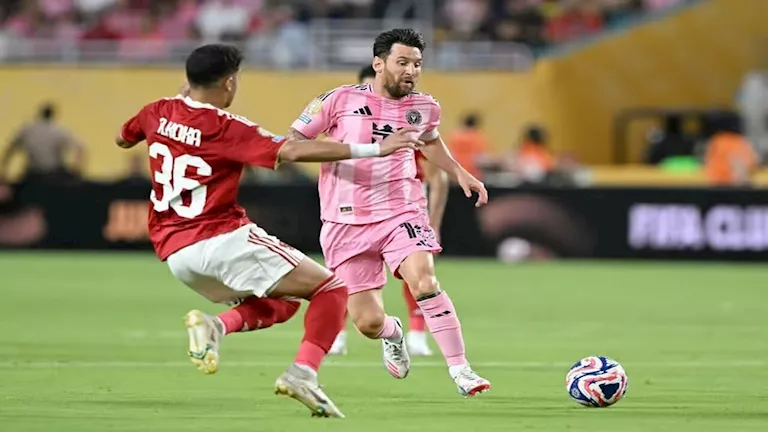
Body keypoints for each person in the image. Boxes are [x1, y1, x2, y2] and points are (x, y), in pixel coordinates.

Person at [115, 44, 422, 418]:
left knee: (286, 302)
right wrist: (376, 149)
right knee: (332, 290)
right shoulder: (227, 128)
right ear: (229, 82)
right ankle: (302, 374)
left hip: (177, 255)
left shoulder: (157, 111)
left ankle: (214, 326)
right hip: (220, 239)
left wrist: (178, 111)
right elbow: (291, 152)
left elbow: (122, 138)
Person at [288, 29, 491, 397]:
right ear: (378, 64)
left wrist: (459, 171)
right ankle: (393, 333)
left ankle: (462, 370)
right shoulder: (338, 100)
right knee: (367, 322)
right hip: (344, 220)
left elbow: (430, 140)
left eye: (417, 64)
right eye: (402, 62)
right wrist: (359, 150)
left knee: (424, 280)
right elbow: (293, 146)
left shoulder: (425, 107)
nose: (411, 70)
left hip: (402, 211)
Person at [328, 64, 449, 357]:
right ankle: (337, 333)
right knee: (345, 278)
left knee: (417, 275)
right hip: (355, 212)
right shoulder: (345, 124)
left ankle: (418, 334)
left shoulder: (408, 126)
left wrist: (433, 223)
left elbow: (438, 177)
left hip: (400, 210)